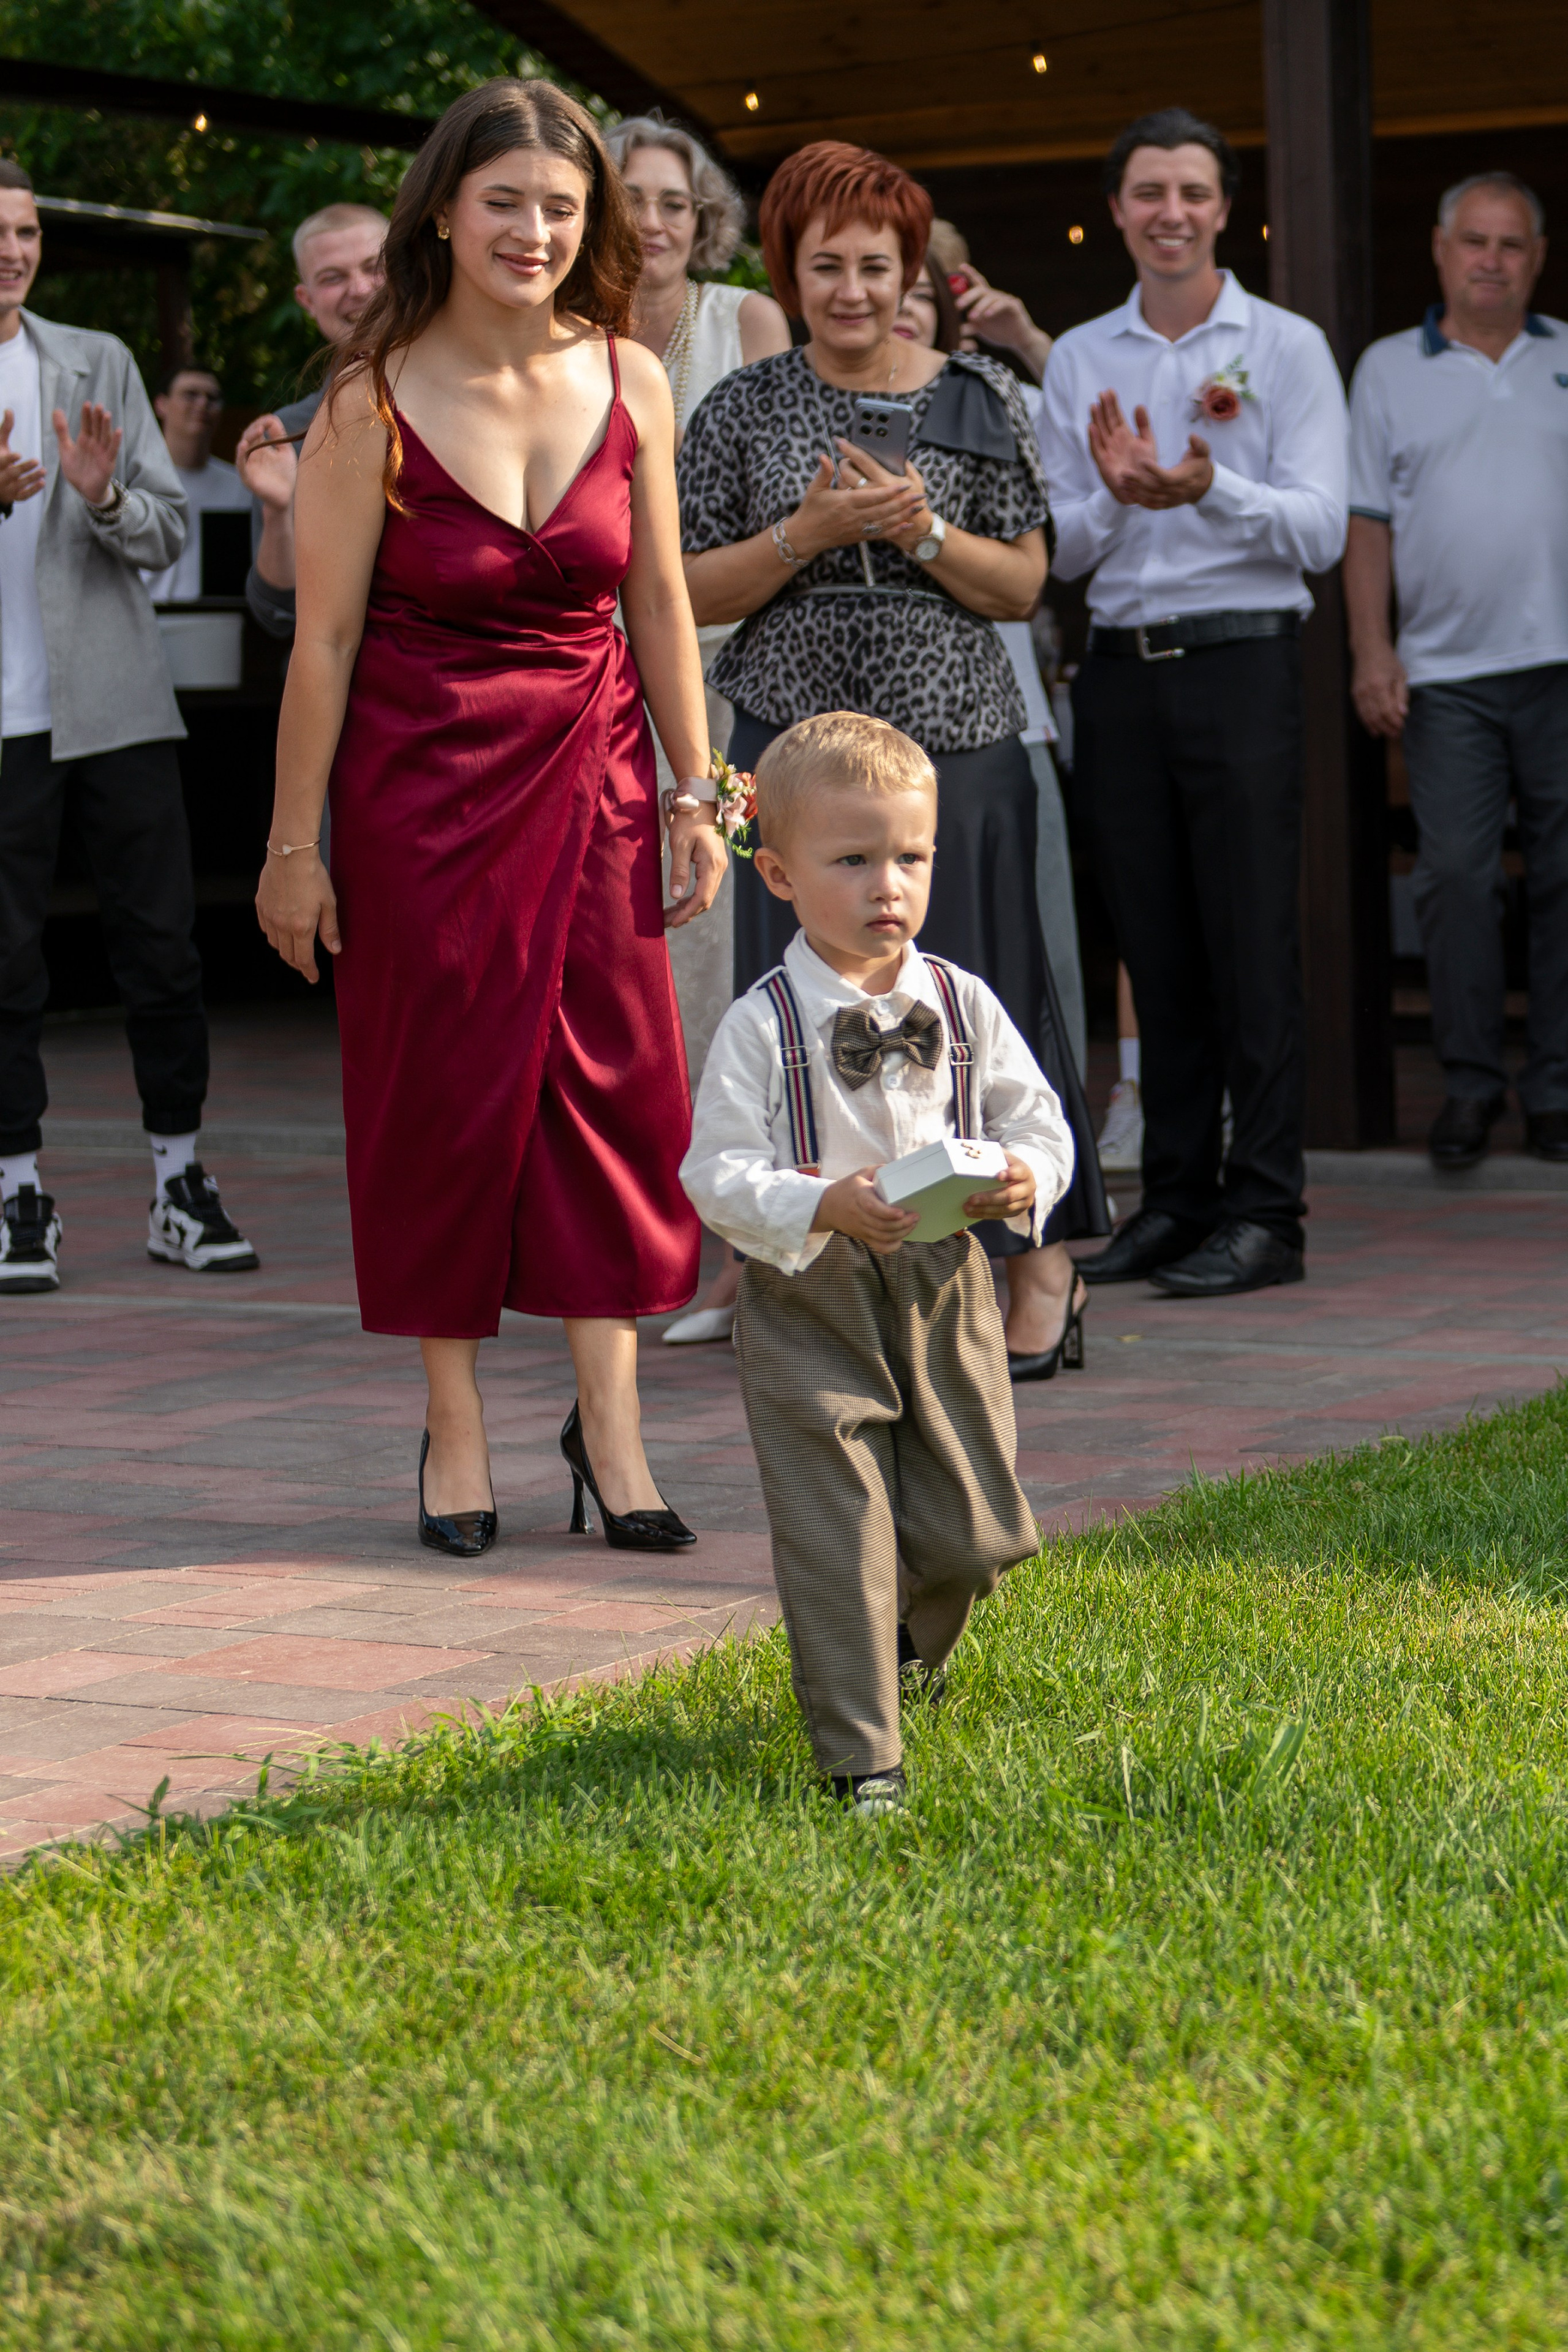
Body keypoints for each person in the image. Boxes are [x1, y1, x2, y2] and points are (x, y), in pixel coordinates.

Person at [254, 78, 723, 1559]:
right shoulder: (366, 397)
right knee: (438, 1099)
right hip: (421, 797)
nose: (532, 230)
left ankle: (615, 1425)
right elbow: (320, 641)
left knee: (616, 1102)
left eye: (560, 207)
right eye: (505, 200)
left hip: (597, 783)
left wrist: (700, 787)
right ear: (444, 211)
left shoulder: (630, 377)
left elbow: (655, 598)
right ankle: (453, 1424)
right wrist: (290, 847)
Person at [678, 140, 1108, 1380]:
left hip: (954, 740)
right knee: (795, 1003)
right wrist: (801, 534)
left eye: (876, 265)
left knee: (988, 995)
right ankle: (814, 1274)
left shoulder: (977, 393)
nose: (852, 290)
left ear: (909, 269)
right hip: (786, 742)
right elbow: (688, 582)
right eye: (827, 267)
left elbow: (1024, 580)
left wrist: (920, 527)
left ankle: (1038, 1270)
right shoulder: (744, 406)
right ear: (789, 273)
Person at [682, 713, 1073, 1815]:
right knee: (836, 1528)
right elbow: (713, 1171)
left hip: (948, 1286)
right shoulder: (763, 1026)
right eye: (851, 862)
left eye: (909, 858)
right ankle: (862, 1760)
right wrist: (821, 1200)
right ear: (780, 874)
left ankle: (906, 1637)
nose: (886, 886)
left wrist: (1019, 1178)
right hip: (813, 1291)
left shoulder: (961, 1003)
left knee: (978, 1529)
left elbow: (1040, 1125)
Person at [1038, 107, 1348, 1297]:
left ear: (1225, 209)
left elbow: (1318, 527)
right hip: (1118, 675)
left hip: (1241, 665)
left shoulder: (1282, 347)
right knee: (1155, 948)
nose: (1169, 212)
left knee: (1249, 946)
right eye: (1147, 192)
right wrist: (1124, 497)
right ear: (1116, 209)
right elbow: (1062, 552)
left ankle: (1266, 1211)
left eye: (1191, 192)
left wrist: (1205, 488)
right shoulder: (1078, 358)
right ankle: (1173, 1201)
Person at [0, 157, 257, 1297]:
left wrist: (100, 495)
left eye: (26, 229)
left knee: (161, 948)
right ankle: (16, 1193)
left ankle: (179, 1182)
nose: (13, 249)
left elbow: (162, 535)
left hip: (113, 710)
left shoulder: (94, 363)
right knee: (6, 966)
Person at [605, 113, 790, 1346]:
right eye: (633, 200)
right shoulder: (563, 337)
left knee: (726, 962)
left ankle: (742, 1257)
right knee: (642, 974)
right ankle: (651, 1240)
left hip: (737, 693)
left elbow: (784, 512)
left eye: (674, 202)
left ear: (701, 217)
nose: (656, 222)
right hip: (602, 688)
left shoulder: (749, 323)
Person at [1346, 172, 1568, 1171]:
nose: (1491, 259)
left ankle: (1556, 1092)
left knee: (1566, 880)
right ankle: (1473, 1089)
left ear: (1537, 257)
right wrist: (1372, 649)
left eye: (1511, 244)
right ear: (1441, 253)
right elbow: (1366, 525)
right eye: (1474, 241)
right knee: (1457, 880)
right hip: (1444, 677)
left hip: (1561, 665)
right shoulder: (1389, 369)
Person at [895, 239, 1088, 1081]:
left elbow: (1086, 428)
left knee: (1033, 939)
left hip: (1005, 718)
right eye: (875, 280)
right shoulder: (805, 409)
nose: (896, 304)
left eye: (919, 291)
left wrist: (1029, 339)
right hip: (869, 737)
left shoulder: (991, 402)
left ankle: (1049, 1147)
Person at [235, 203, 388, 641]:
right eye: (333, 278)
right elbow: (277, 614)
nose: (360, 289)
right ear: (306, 300)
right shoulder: (290, 432)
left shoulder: (468, 396)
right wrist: (279, 511)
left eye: (374, 268)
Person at [141, 363, 252, 602]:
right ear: (161, 405)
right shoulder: (134, 478)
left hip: (216, 622)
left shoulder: (241, 487)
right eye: (190, 395)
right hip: (146, 621)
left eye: (212, 398)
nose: (202, 404)